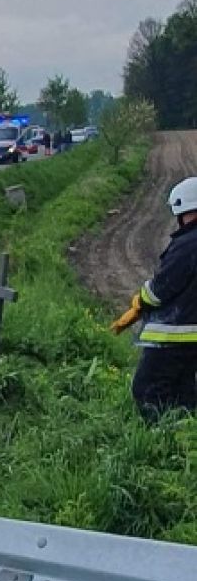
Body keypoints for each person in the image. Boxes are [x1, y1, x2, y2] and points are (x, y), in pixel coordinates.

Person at [110, 177, 197, 422]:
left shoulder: (188, 243)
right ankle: (184, 440)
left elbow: (160, 290)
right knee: (184, 394)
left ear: (184, 210)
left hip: (176, 337)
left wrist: (139, 302)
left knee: (147, 390)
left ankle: (161, 444)